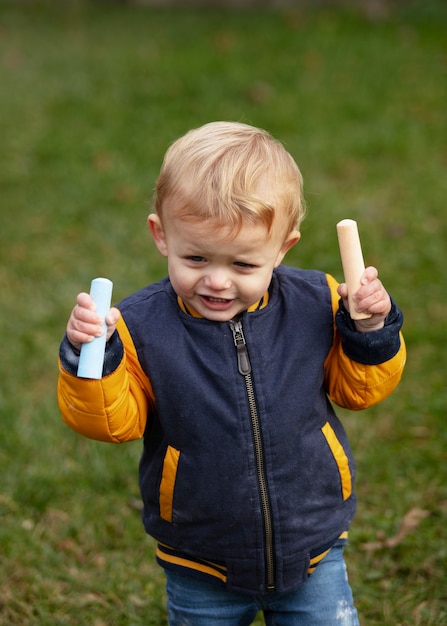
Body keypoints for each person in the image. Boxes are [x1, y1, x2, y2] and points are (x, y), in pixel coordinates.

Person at [58, 121, 406, 625]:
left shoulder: (320, 302)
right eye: (196, 257)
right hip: (201, 554)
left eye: (243, 264)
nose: (217, 281)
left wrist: (369, 331)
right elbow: (112, 424)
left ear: (283, 248)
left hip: (312, 542)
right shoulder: (138, 328)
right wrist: (93, 359)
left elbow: (361, 390)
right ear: (162, 235)